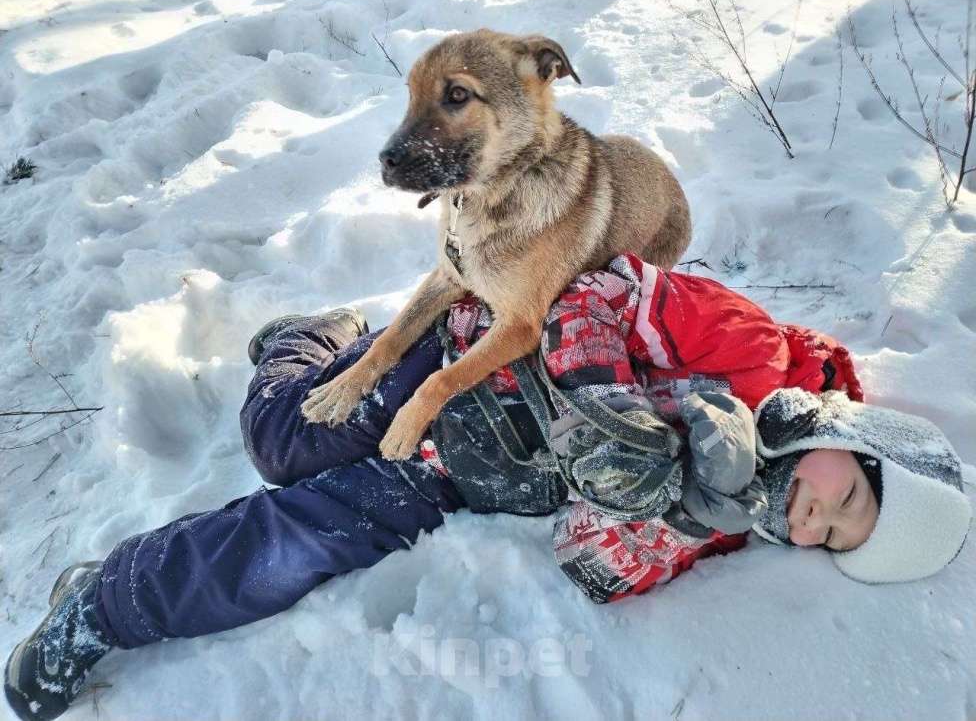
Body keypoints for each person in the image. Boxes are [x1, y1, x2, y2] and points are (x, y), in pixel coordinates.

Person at [4, 254, 970, 721]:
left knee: (288, 548)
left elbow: (593, 567)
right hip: (465, 360)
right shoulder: (756, 355)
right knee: (280, 438)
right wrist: (605, 395)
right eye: (851, 494)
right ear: (853, 437)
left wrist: (669, 506)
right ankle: (314, 342)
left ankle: (107, 604)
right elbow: (604, 286)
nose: (819, 514)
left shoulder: (735, 522)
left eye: (837, 538)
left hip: (457, 482)